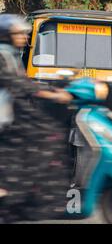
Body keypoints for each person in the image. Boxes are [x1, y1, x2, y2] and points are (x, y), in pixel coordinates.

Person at [0, 14, 73, 223]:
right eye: (18, 33)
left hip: (13, 113)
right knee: (42, 140)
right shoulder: (2, 54)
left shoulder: (12, 54)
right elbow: (15, 83)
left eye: (23, 33)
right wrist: (51, 93)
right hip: (6, 118)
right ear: (6, 35)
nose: (24, 36)